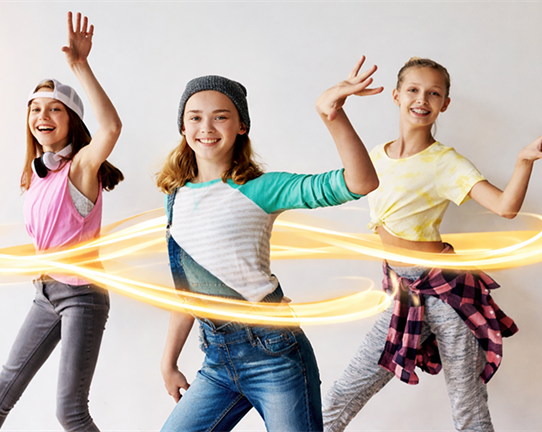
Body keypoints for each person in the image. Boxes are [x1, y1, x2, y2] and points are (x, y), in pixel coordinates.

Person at [322, 57, 542, 431]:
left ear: (444, 104)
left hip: (448, 292)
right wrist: (334, 108)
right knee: (343, 393)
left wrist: (523, 162)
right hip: (404, 292)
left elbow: (505, 207)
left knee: (467, 407)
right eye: (414, 90)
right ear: (397, 95)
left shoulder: (446, 163)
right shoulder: (375, 156)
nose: (423, 99)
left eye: (434, 93)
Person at [155, 57, 382, 432]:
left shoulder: (262, 188)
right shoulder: (174, 197)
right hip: (216, 360)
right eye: (195, 117)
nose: (206, 127)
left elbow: (360, 182)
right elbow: (187, 293)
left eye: (221, 116)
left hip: (274, 355)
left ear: (242, 125)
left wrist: (333, 116)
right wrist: (169, 363)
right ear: (182, 126)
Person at [0, 12, 122, 432]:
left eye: (55, 108)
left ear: (71, 119)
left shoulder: (80, 170)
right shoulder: (35, 176)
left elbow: (110, 127)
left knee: (70, 412)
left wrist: (80, 66)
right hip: (45, 292)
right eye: (35, 108)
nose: (43, 115)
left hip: (82, 295)